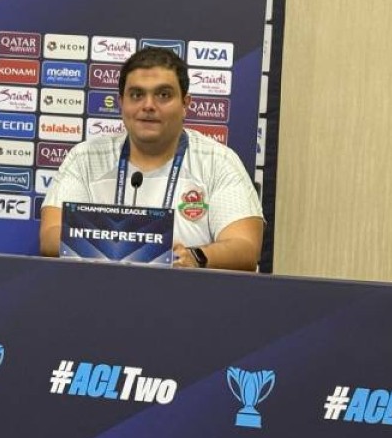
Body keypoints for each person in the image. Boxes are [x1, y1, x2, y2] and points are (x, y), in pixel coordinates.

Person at [39, 47, 263, 270]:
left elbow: (245, 247)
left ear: (185, 104)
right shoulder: (85, 158)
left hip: (185, 289)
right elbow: (50, 236)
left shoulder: (217, 161)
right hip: (100, 288)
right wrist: (134, 249)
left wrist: (194, 257)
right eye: (137, 95)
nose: (148, 106)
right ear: (121, 103)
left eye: (163, 95)